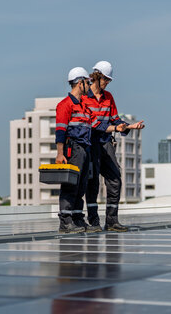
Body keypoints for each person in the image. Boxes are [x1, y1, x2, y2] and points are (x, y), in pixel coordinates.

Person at [55, 67, 126, 234]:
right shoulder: (65, 105)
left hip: (85, 149)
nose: (89, 84)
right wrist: (60, 153)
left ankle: (78, 219)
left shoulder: (83, 107)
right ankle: (65, 223)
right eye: (87, 82)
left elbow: (94, 125)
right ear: (80, 83)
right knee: (70, 186)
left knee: (80, 186)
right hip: (73, 148)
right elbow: (60, 131)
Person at [83, 61, 145, 232]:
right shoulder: (84, 97)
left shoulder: (108, 97)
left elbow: (115, 120)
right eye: (105, 79)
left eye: (109, 80)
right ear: (97, 77)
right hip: (91, 144)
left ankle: (111, 221)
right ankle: (94, 221)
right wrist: (115, 128)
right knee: (93, 183)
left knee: (114, 180)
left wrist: (129, 127)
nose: (107, 83)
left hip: (106, 143)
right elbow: (94, 124)